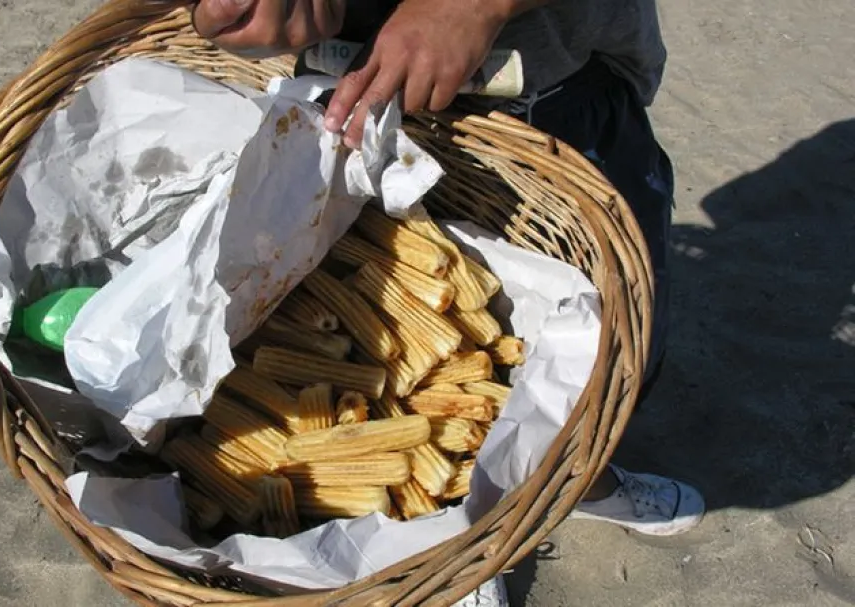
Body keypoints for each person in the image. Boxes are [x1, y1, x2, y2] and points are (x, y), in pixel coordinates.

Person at [189, 0, 706, 602]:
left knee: (615, 349)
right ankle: (450, 535)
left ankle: (577, 481)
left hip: (553, 82)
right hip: (362, 81)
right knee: (358, 274)